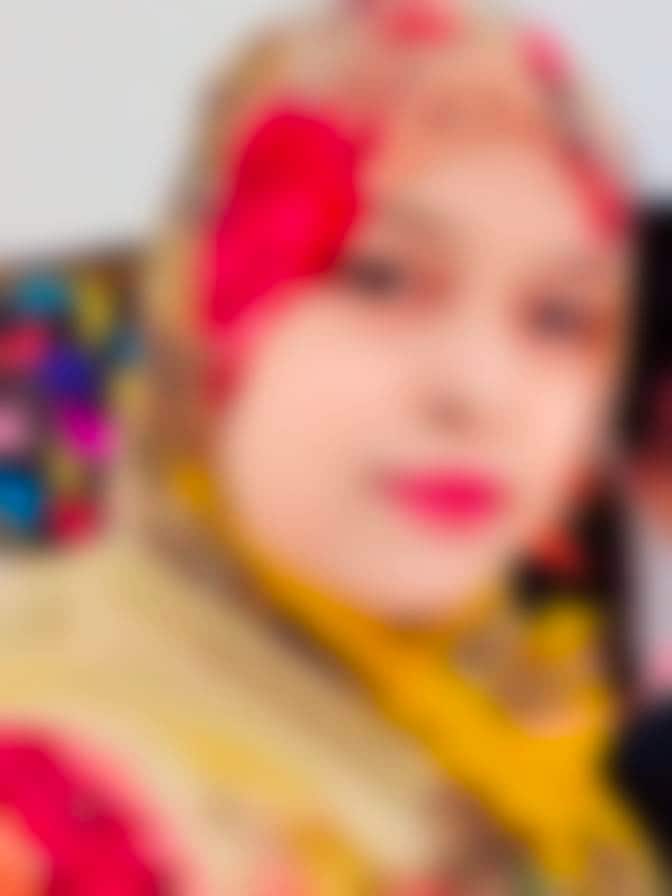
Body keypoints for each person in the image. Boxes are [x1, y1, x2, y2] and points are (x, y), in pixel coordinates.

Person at [0, 1, 661, 892]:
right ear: (210, 315)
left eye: (558, 317)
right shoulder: (57, 786)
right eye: (381, 277)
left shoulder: (520, 745)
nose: (479, 391)